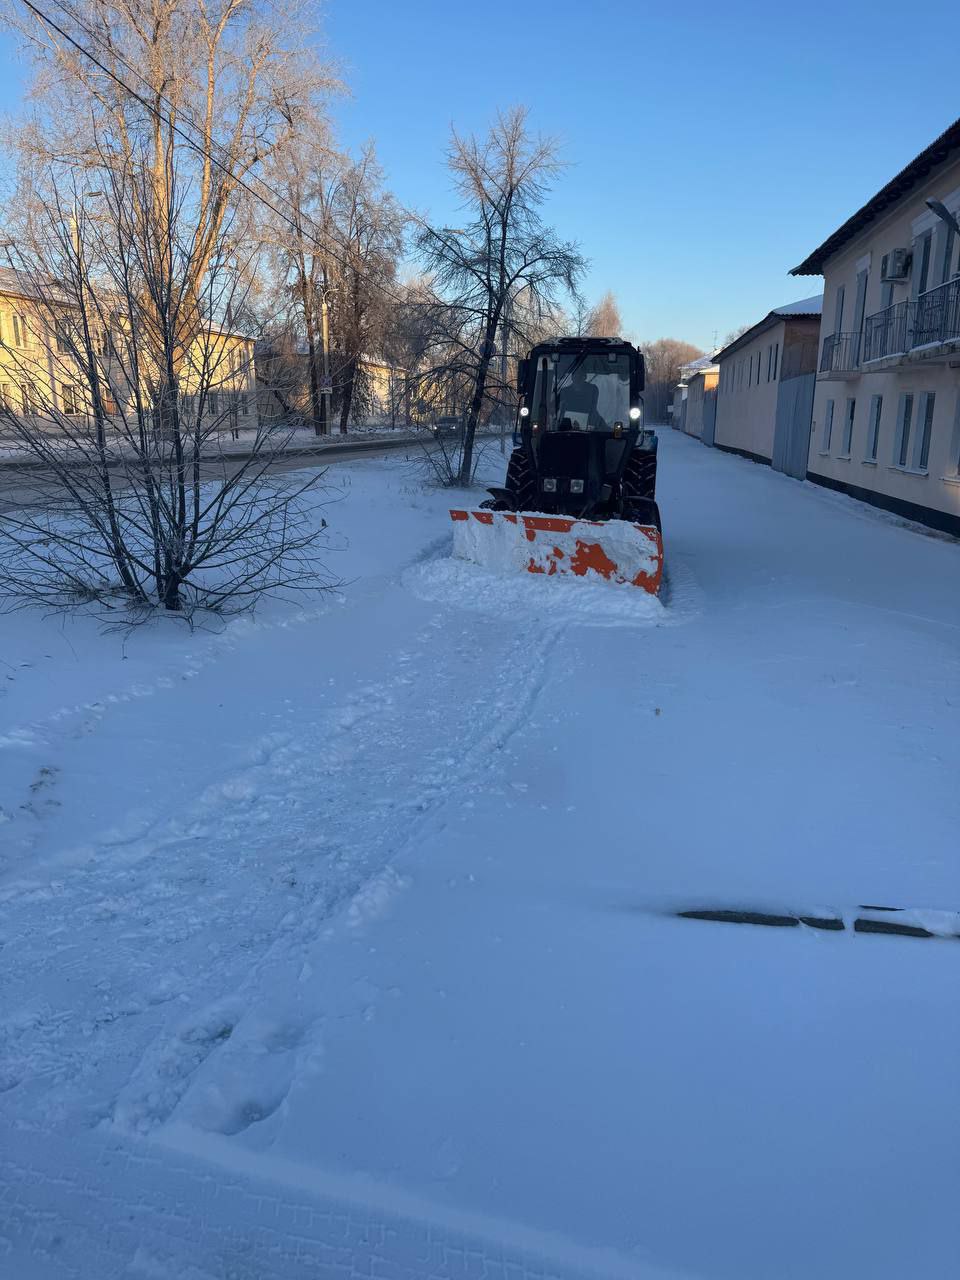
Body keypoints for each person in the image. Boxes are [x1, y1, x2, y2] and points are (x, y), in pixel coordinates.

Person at [557, 362, 600, 429]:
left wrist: (591, 425)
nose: (577, 377)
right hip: (566, 427)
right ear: (572, 377)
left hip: (588, 426)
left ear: (585, 376)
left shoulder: (593, 389)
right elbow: (560, 411)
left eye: (580, 374)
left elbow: (593, 409)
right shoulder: (564, 391)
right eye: (575, 374)